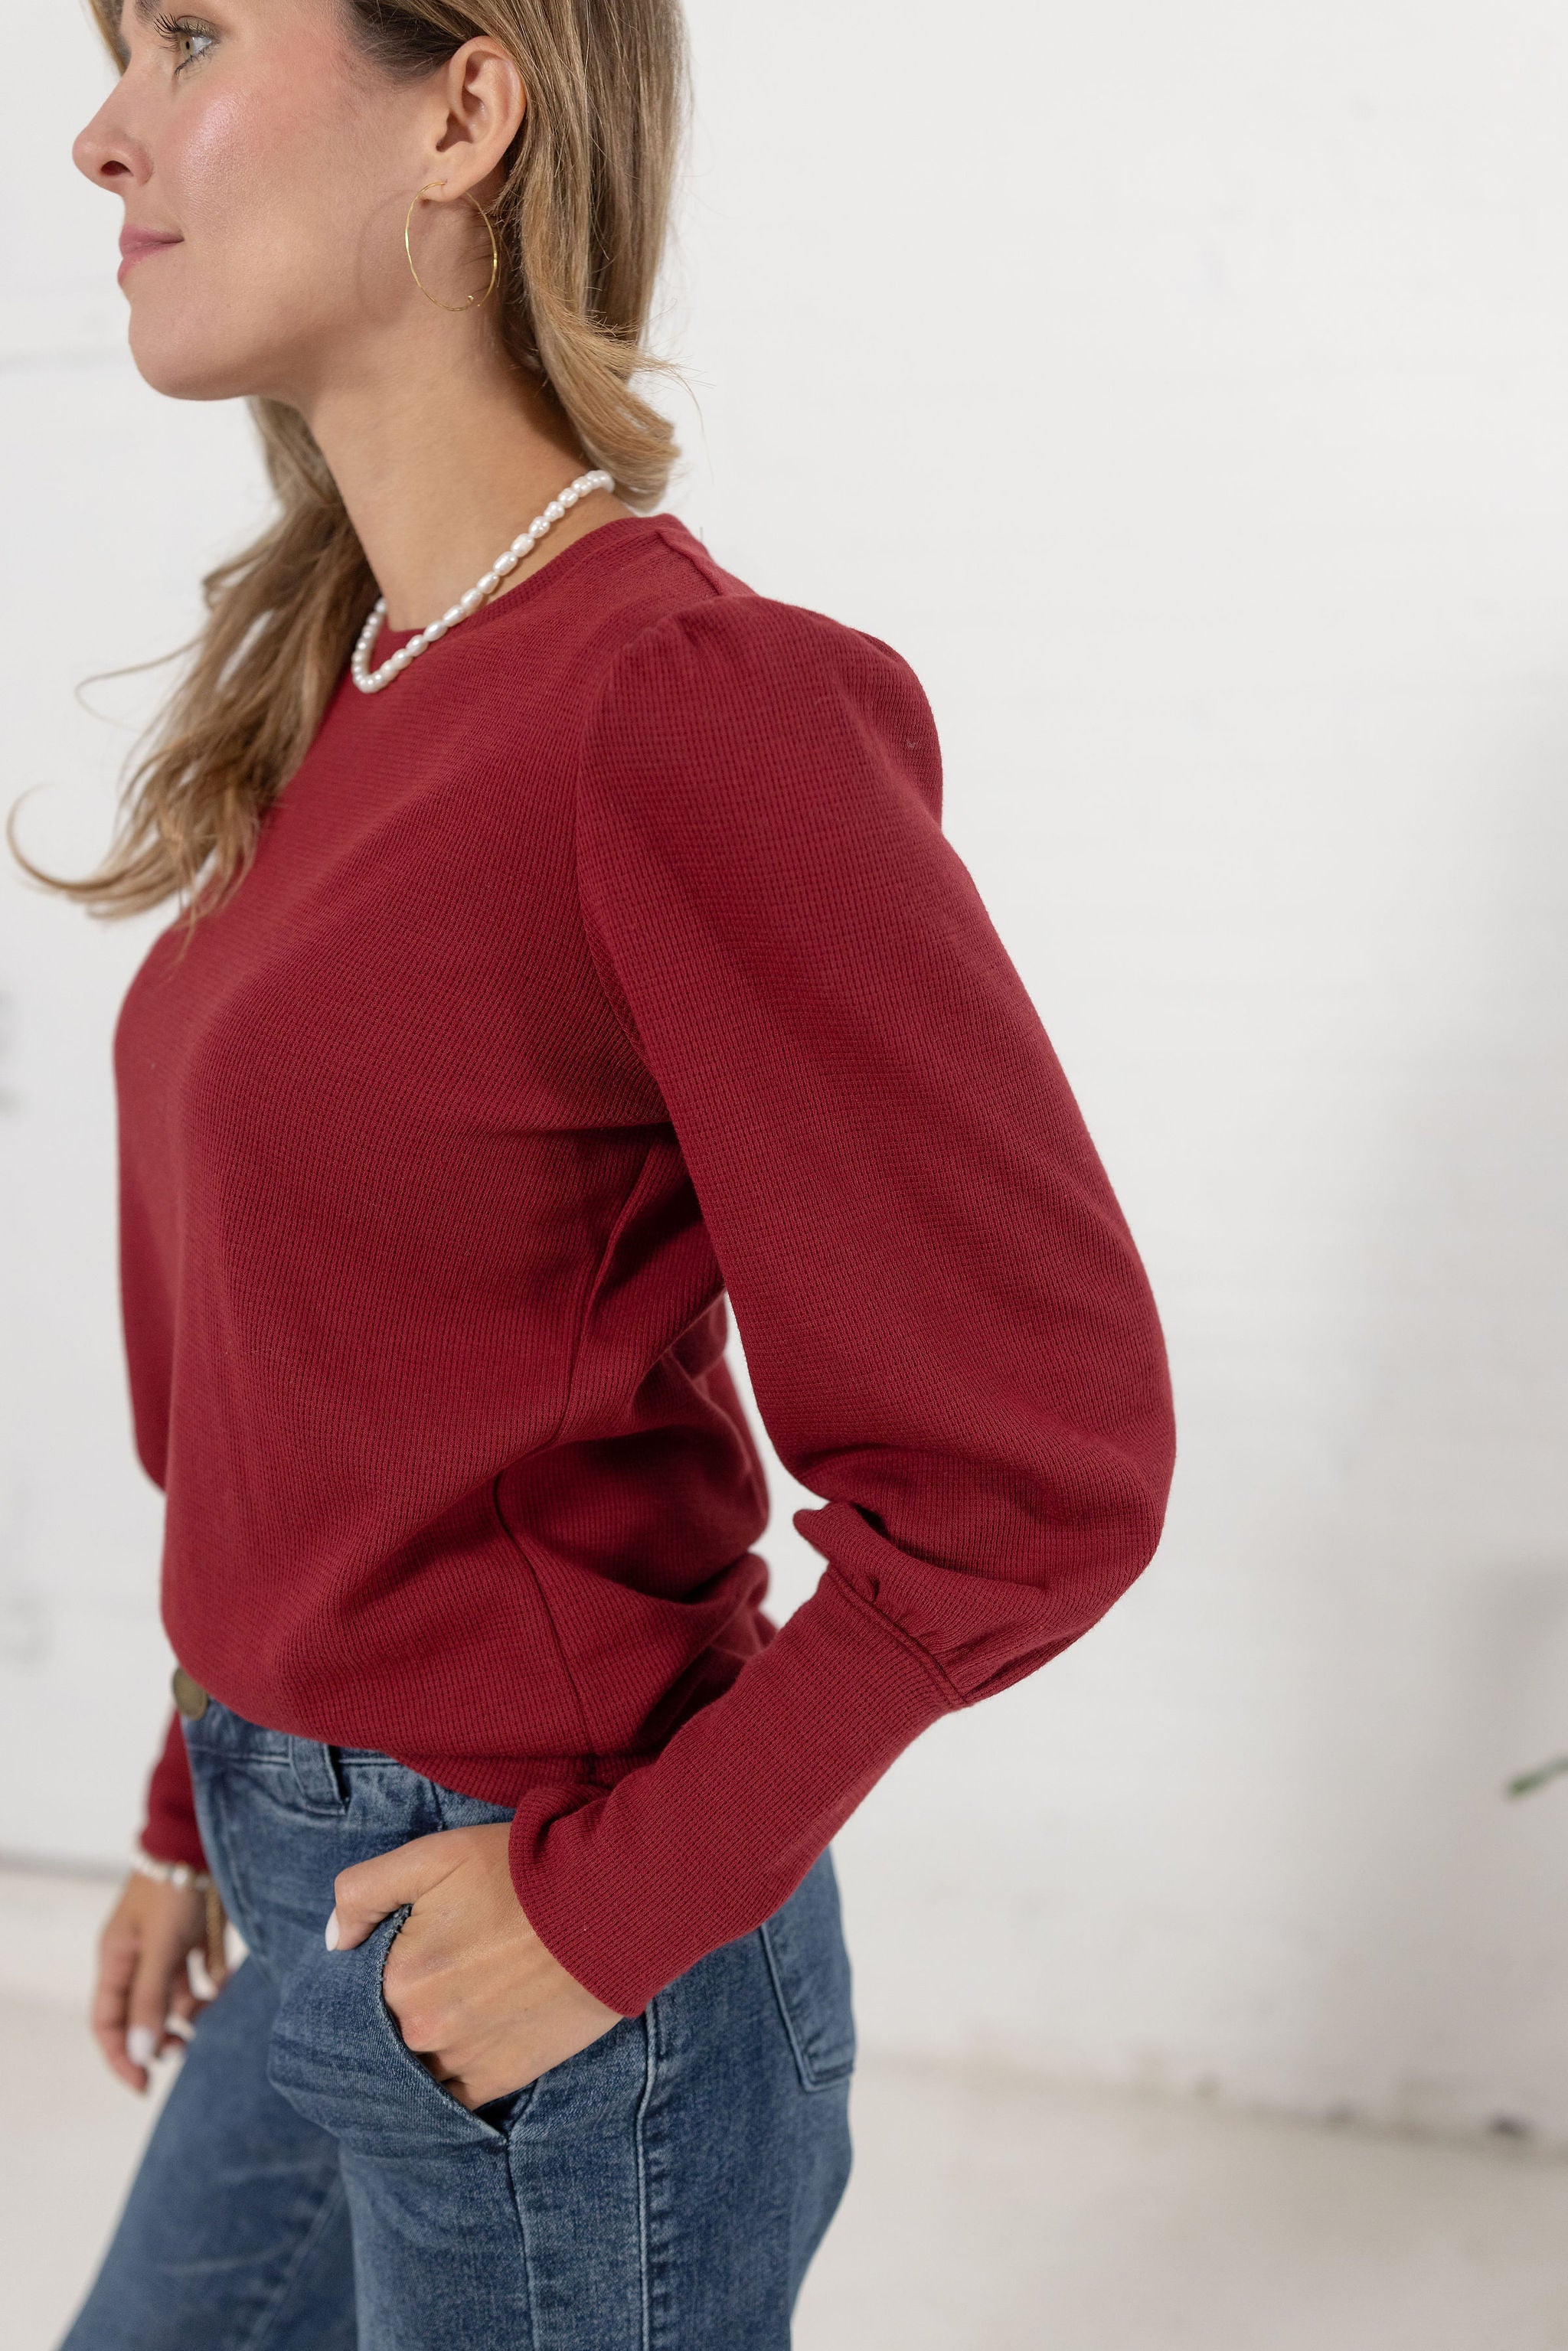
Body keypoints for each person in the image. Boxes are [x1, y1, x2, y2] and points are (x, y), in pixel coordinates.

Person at [32, 0, 1177, 2341]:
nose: (99, 134)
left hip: (549, 1954)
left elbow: (1044, 1466)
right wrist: (193, 1798)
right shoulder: (345, 683)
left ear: (466, 108)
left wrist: (606, 1914)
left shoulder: (681, 705)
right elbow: (324, 1381)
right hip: (314, 1876)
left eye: (189, 35)